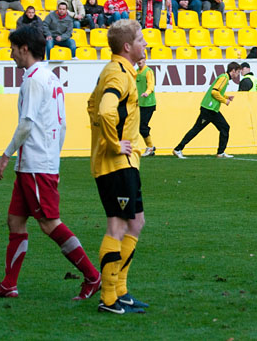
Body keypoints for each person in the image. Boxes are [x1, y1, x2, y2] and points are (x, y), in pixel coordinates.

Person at [0, 26, 101, 301]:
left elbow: (26, 123)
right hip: (36, 163)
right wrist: (53, 158)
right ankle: (9, 284)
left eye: (13, 49)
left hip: (36, 164)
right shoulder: (51, 77)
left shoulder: (33, 80)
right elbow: (62, 124)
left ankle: (92, 276)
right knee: (15, 221)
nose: (11, 54)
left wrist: (5, 156)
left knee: (49, 223)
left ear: (24, 48)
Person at [87, 19, 150, 314]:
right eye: (140, 39)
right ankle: (109, 298)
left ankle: (121, 290)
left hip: (125, 162)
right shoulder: (117, 74)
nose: (145, 43)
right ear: (127, 46)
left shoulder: (119, 71)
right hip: (116, 163)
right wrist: (113, 144)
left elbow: (91, 105)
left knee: (136, 222)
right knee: (118, 225)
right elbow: (104, 110)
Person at [173, 62, 240, 159]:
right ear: (233, 71)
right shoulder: (224, 78)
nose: (238, 75)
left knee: (225, 127)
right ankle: (178, 149)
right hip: (209, 109)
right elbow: (214, 92)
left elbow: (217, 91)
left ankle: (221, 152)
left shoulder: (224, 77)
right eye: (237, 72)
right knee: (196, 129)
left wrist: (226, 96)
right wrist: (225, 100)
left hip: (212, 110)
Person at [136, 55, 156, 156]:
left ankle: (150, 147)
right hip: (139, 104)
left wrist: (147, 93)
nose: (139, 61)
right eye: (138, 59)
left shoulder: (148, 71)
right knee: (136, 126)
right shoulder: (136, 72)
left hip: (148, 104)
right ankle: (150, 147)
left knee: (142, 126)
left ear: (145, 60)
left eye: (141, 59)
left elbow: (151, 84)